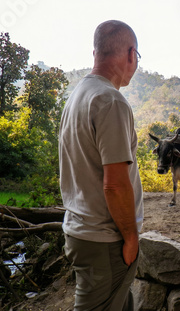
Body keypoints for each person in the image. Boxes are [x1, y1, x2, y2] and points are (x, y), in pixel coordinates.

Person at [59, 20, 144, 310]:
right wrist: (131, 237)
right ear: (131, 53)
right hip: (105, 239)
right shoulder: (111, 102)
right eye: (138, 57)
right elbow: (115, 184)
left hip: (80, 229)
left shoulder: (78, 96)